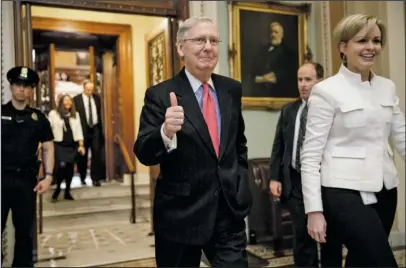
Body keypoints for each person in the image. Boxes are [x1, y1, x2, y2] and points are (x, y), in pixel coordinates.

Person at [134, 17, 252, 267]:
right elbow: (144, 152)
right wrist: (165, 131)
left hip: (227, 212)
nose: (208, 47)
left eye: (213, 40)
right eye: (199, 40)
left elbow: (237, 145)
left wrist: (240, 183)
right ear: (180, 48)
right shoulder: (159, 94)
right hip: (180, 216)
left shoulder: (232, 89)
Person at [301, 14, 405, 267]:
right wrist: (314, 211)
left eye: (376, 40)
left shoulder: (387, 87)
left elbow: (402, 135)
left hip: (385, 190)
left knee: (362, 262)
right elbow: (311, 155)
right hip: (342, 193)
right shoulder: (326, 91)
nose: (371, 47)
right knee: (382, 262)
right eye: (362, 40)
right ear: (343, 47)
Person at [269, 62, 343, 267]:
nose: (302, 84)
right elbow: (279, 145)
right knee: (302, 237)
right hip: (295, 183)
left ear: (320, 80)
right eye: (300, 79)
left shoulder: (331, 110)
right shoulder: (289, 110)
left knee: (329, 238)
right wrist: (274, 177)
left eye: (308, 79)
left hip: (325, 182)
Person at [1, 66, 55, 267]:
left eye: (27, 86)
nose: (22, 90)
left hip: (26, 181)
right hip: (1, 179)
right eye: (18, 85)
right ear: (11, 87)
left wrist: (48, 176)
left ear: (32, 90)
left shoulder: (39, 119)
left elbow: (48, 147)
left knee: (24, 232)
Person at [48, 94, 86, 202]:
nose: (68, 102)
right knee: (60, 168)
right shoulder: (53, 114)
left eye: (69, 101)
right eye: (65, 100)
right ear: (61, 102)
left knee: (70, 168)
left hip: (71, 145)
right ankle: (58, 189)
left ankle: (67, 192)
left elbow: (79, 130)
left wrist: (81, 145)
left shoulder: (75, 115)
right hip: (59, 144)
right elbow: (48, 128)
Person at [73, 80, 105, 186]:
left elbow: (99, 113)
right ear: (84, 88)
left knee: (96, 153)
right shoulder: (76, 100)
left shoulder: (97, 98)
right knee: (83, 155)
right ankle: (82, 177)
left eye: (91, 89)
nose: (89, 91)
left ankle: (95, 178)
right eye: (87, 89)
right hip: (83, 129)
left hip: (95, 128)